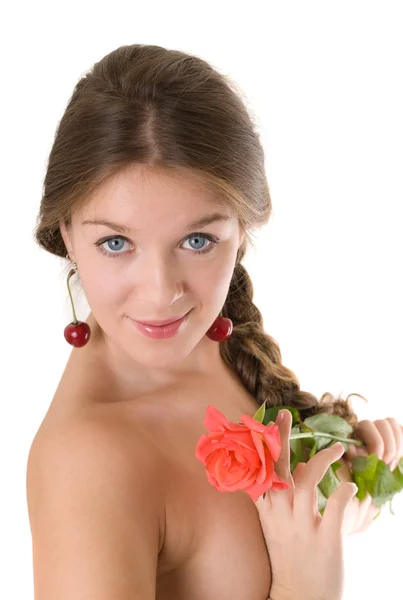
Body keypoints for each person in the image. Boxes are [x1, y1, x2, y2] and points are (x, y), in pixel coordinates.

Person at [26, 43, 402, 600]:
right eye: (116, 242)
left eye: (197, 241)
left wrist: (339, 497)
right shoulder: (88, 465)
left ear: (242, 232)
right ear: (66, 236)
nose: (161, 294)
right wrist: (306, 587)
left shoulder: (210, 346)